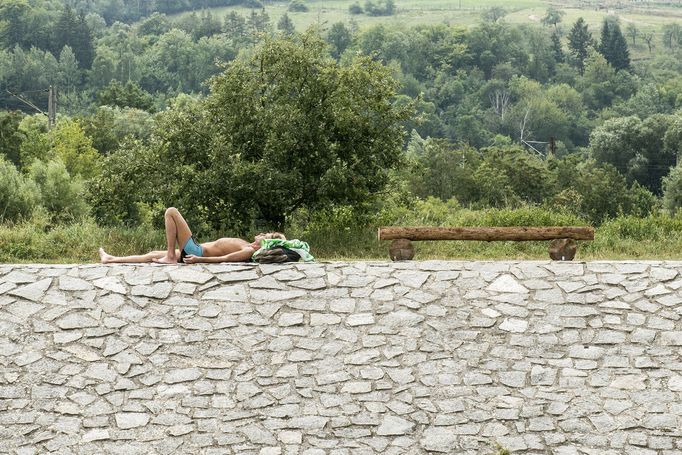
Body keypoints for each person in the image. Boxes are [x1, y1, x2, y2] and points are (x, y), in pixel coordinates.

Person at [99, 207, 285, 264]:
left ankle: (171, 256)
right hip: (194, 250)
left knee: (171, 212)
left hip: (196, 251)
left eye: (265, 235)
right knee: (151, 255)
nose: (261, 234)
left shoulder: (247, 250)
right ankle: (111, 259)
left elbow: (225, 258)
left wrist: (198, 260)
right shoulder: (247, 245)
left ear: (265, 245)